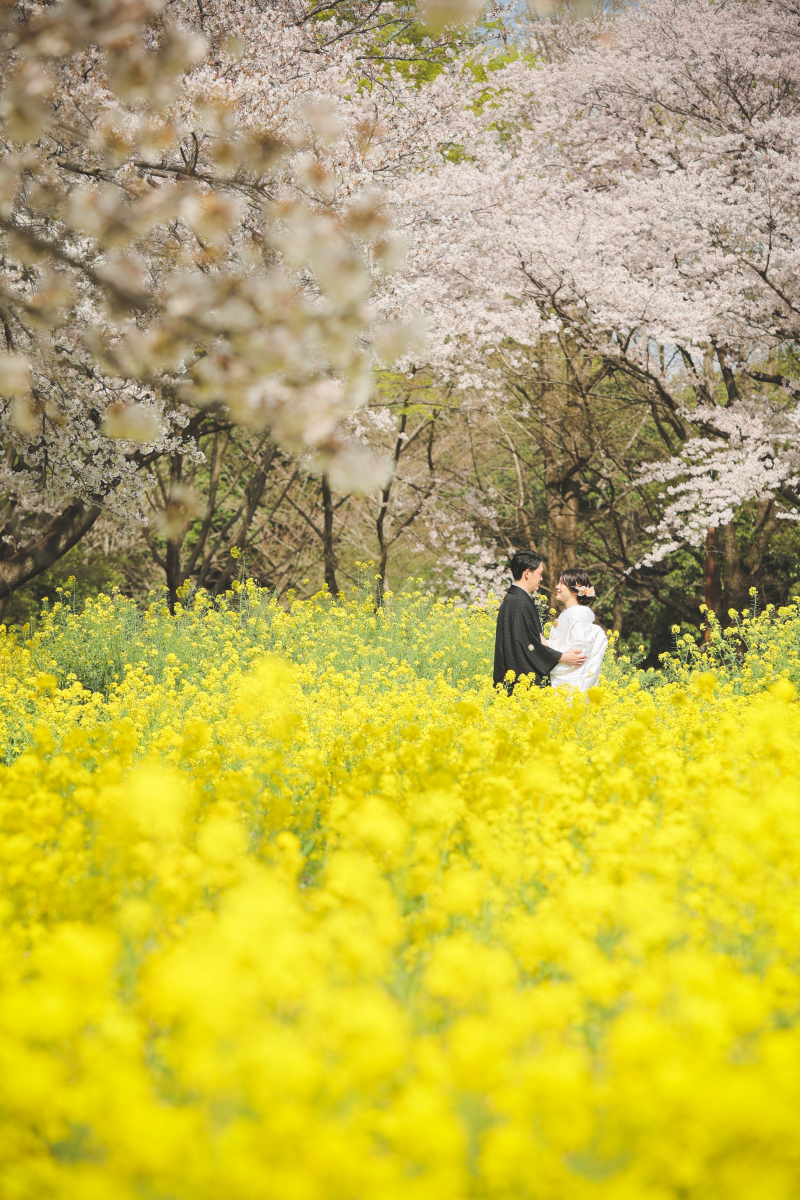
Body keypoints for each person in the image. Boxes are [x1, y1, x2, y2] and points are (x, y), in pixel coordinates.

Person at [493, 551, 587, 692]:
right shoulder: (518, 602)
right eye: (540, 574)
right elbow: (529, 644)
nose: (541, 578)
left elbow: (534, 638)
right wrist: (563, 657)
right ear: (527, 573)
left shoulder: (515, 599)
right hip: (522, 684)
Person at [547, 568, 608, 692]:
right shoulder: (567, 613)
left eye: (562, 583)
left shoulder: (579, 614)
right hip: (560, 679)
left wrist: (547, 653)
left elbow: (577, 652)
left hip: (570, 683)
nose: (557, 587)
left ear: (574, 589)